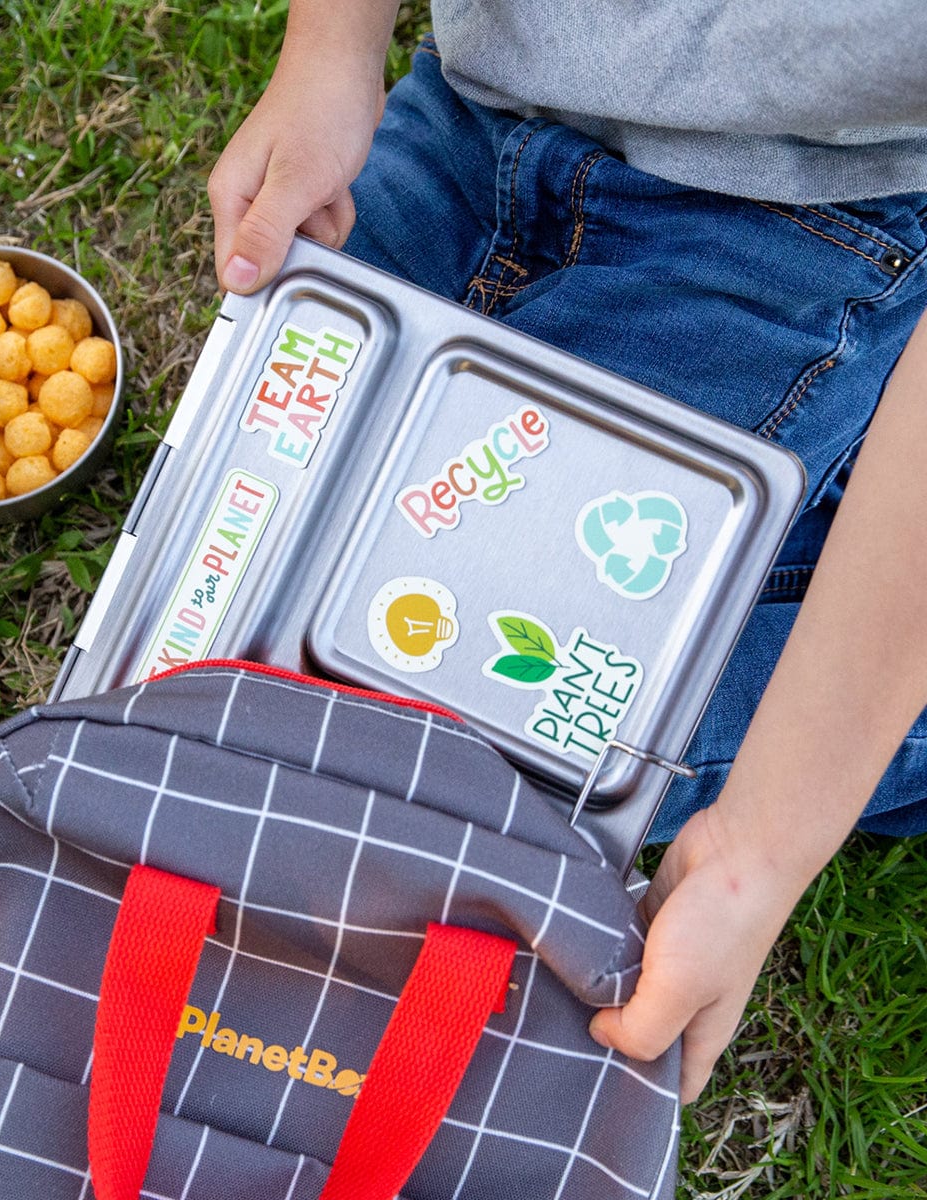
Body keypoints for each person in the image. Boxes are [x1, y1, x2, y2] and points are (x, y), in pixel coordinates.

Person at [207, 1, 927, 1105]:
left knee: (487, 757)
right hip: (478, 101)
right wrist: (331, 55)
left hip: (810, 212)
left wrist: (762, 847)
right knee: (220, 603)